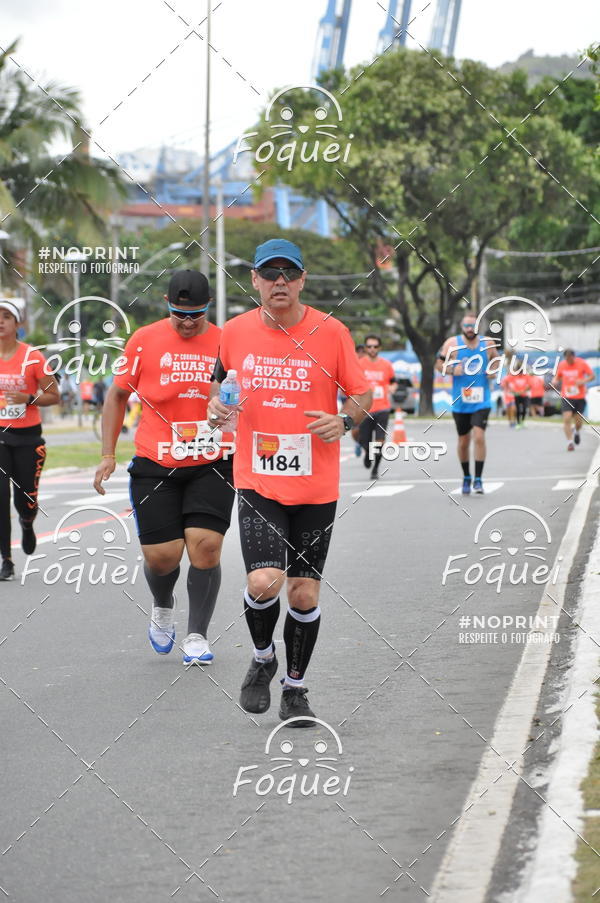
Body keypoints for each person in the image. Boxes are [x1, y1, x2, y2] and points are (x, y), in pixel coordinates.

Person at [208, 238, 371, 725]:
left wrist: (344, 422)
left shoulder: (332, 330)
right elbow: (220, 386)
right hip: (258, 479)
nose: (279, 281)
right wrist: (216, 408)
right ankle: (262, 657)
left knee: (303, 594)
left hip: (316, 485)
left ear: (301, 280)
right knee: (264, 582)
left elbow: (360, 394)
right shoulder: (234, 332)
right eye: (269, 273)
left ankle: (295, 689)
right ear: (255, 280)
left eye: (289, 273)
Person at [93, 270, 235, 663]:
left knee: (206, 547)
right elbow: (117, 395)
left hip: (212, 461)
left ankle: (197, 636)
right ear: (167, 306)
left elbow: (245, 398)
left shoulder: (227, 340)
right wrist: (108, 454)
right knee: (163, 557)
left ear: (208, 308)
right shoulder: (144, 339)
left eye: (196, 315)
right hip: (157, 461)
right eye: (179, 314)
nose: (188, 323)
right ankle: (162, 605)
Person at [0, 299, 59, 580]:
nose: (1, 321)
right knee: (0, 498)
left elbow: (54, 395)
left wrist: (29, 398)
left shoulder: (32, 357)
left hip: (28, 437)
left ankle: (26, 522)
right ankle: (7, 560)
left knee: (26, 498)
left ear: (18, 324)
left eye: (6, 316)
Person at [435, 312, 500, 494]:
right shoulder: (452, 344)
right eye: (466, 326)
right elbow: (438, 365)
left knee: (479, 437)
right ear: (462, 327)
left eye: (473, 326)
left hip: (482, 400)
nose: (470, 329)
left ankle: (478, 479)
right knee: (464, 441)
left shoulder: (487, 343)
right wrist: (451, 370)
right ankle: (466, 476)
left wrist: (493, 371)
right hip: (461, 402)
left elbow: (496, 359)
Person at [357, 334, 397, 479]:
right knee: (365, 440)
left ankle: (375, 469)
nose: (372, 349)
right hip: (364, 409)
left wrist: (392, 387)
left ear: (379, 348)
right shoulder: (359, 364)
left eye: (375, 346)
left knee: (380, 441)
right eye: (369, 346)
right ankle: (368, 453)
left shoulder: (386, 365)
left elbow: (393, 381)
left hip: (382, 408)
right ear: (365, 348)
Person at [555, 348, 594, 451]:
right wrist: (554, 380)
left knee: (578, 422)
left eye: (570, 359)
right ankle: (570, 443)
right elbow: (558, 377)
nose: (569, 361)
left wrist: (583, 381)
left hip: (579, 397)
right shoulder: (562, 364)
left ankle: (576, 431)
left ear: (574, 356)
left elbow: (592, 376)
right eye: (567, 359)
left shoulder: (582, 363)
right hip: (567, 396)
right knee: (566, 418)